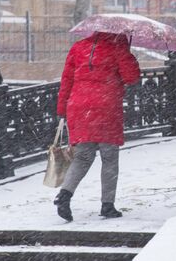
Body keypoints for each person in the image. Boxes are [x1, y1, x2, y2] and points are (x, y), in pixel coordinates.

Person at [54, 31, 140, 221]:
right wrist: (127, 53)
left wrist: (61, 108)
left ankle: (64, 196)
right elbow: (131, 77)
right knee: (109, 158)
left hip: (78, 107)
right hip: (105, 107)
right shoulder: (117, 46)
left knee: (82, 157)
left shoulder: (79, 47)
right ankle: (107, 205)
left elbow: (66, 80)